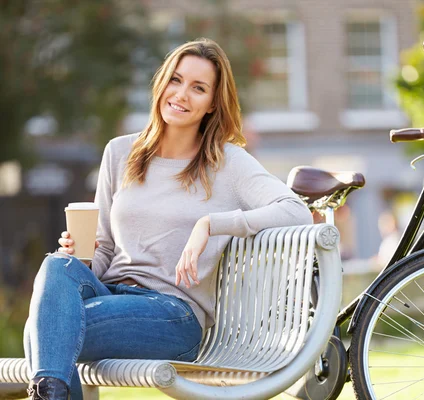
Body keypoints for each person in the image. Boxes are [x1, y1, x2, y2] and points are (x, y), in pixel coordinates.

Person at [23, 38, 313, 400]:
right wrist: (80, 254)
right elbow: (106, 250)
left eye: (198, 88)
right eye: (175, 80)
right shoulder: (120, 152)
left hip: (172, 314)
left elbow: (296, 210)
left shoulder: (227, 162)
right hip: (110, 292)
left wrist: (211, 224)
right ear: (162, 83)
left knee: (47, 331)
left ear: (212, 104)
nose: (181, 94)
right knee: (56, 267)